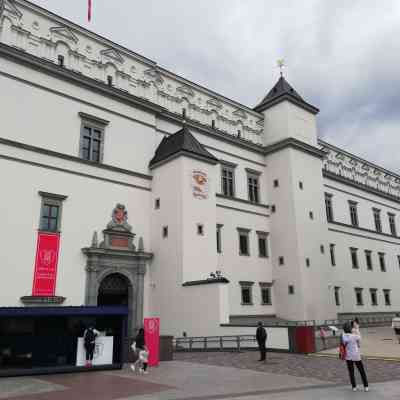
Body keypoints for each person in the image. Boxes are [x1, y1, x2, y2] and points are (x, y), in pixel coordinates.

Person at [341, 322, 369, 392]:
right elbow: (360, 338)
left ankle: (354, 387)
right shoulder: (354, 336)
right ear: (350, 328)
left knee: (351, 372)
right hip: (356, 356)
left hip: (348, 356)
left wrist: (347, 329)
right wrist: (356, 328)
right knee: (361, 371)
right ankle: (366, 386)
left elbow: (344, 333)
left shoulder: (343, 336)